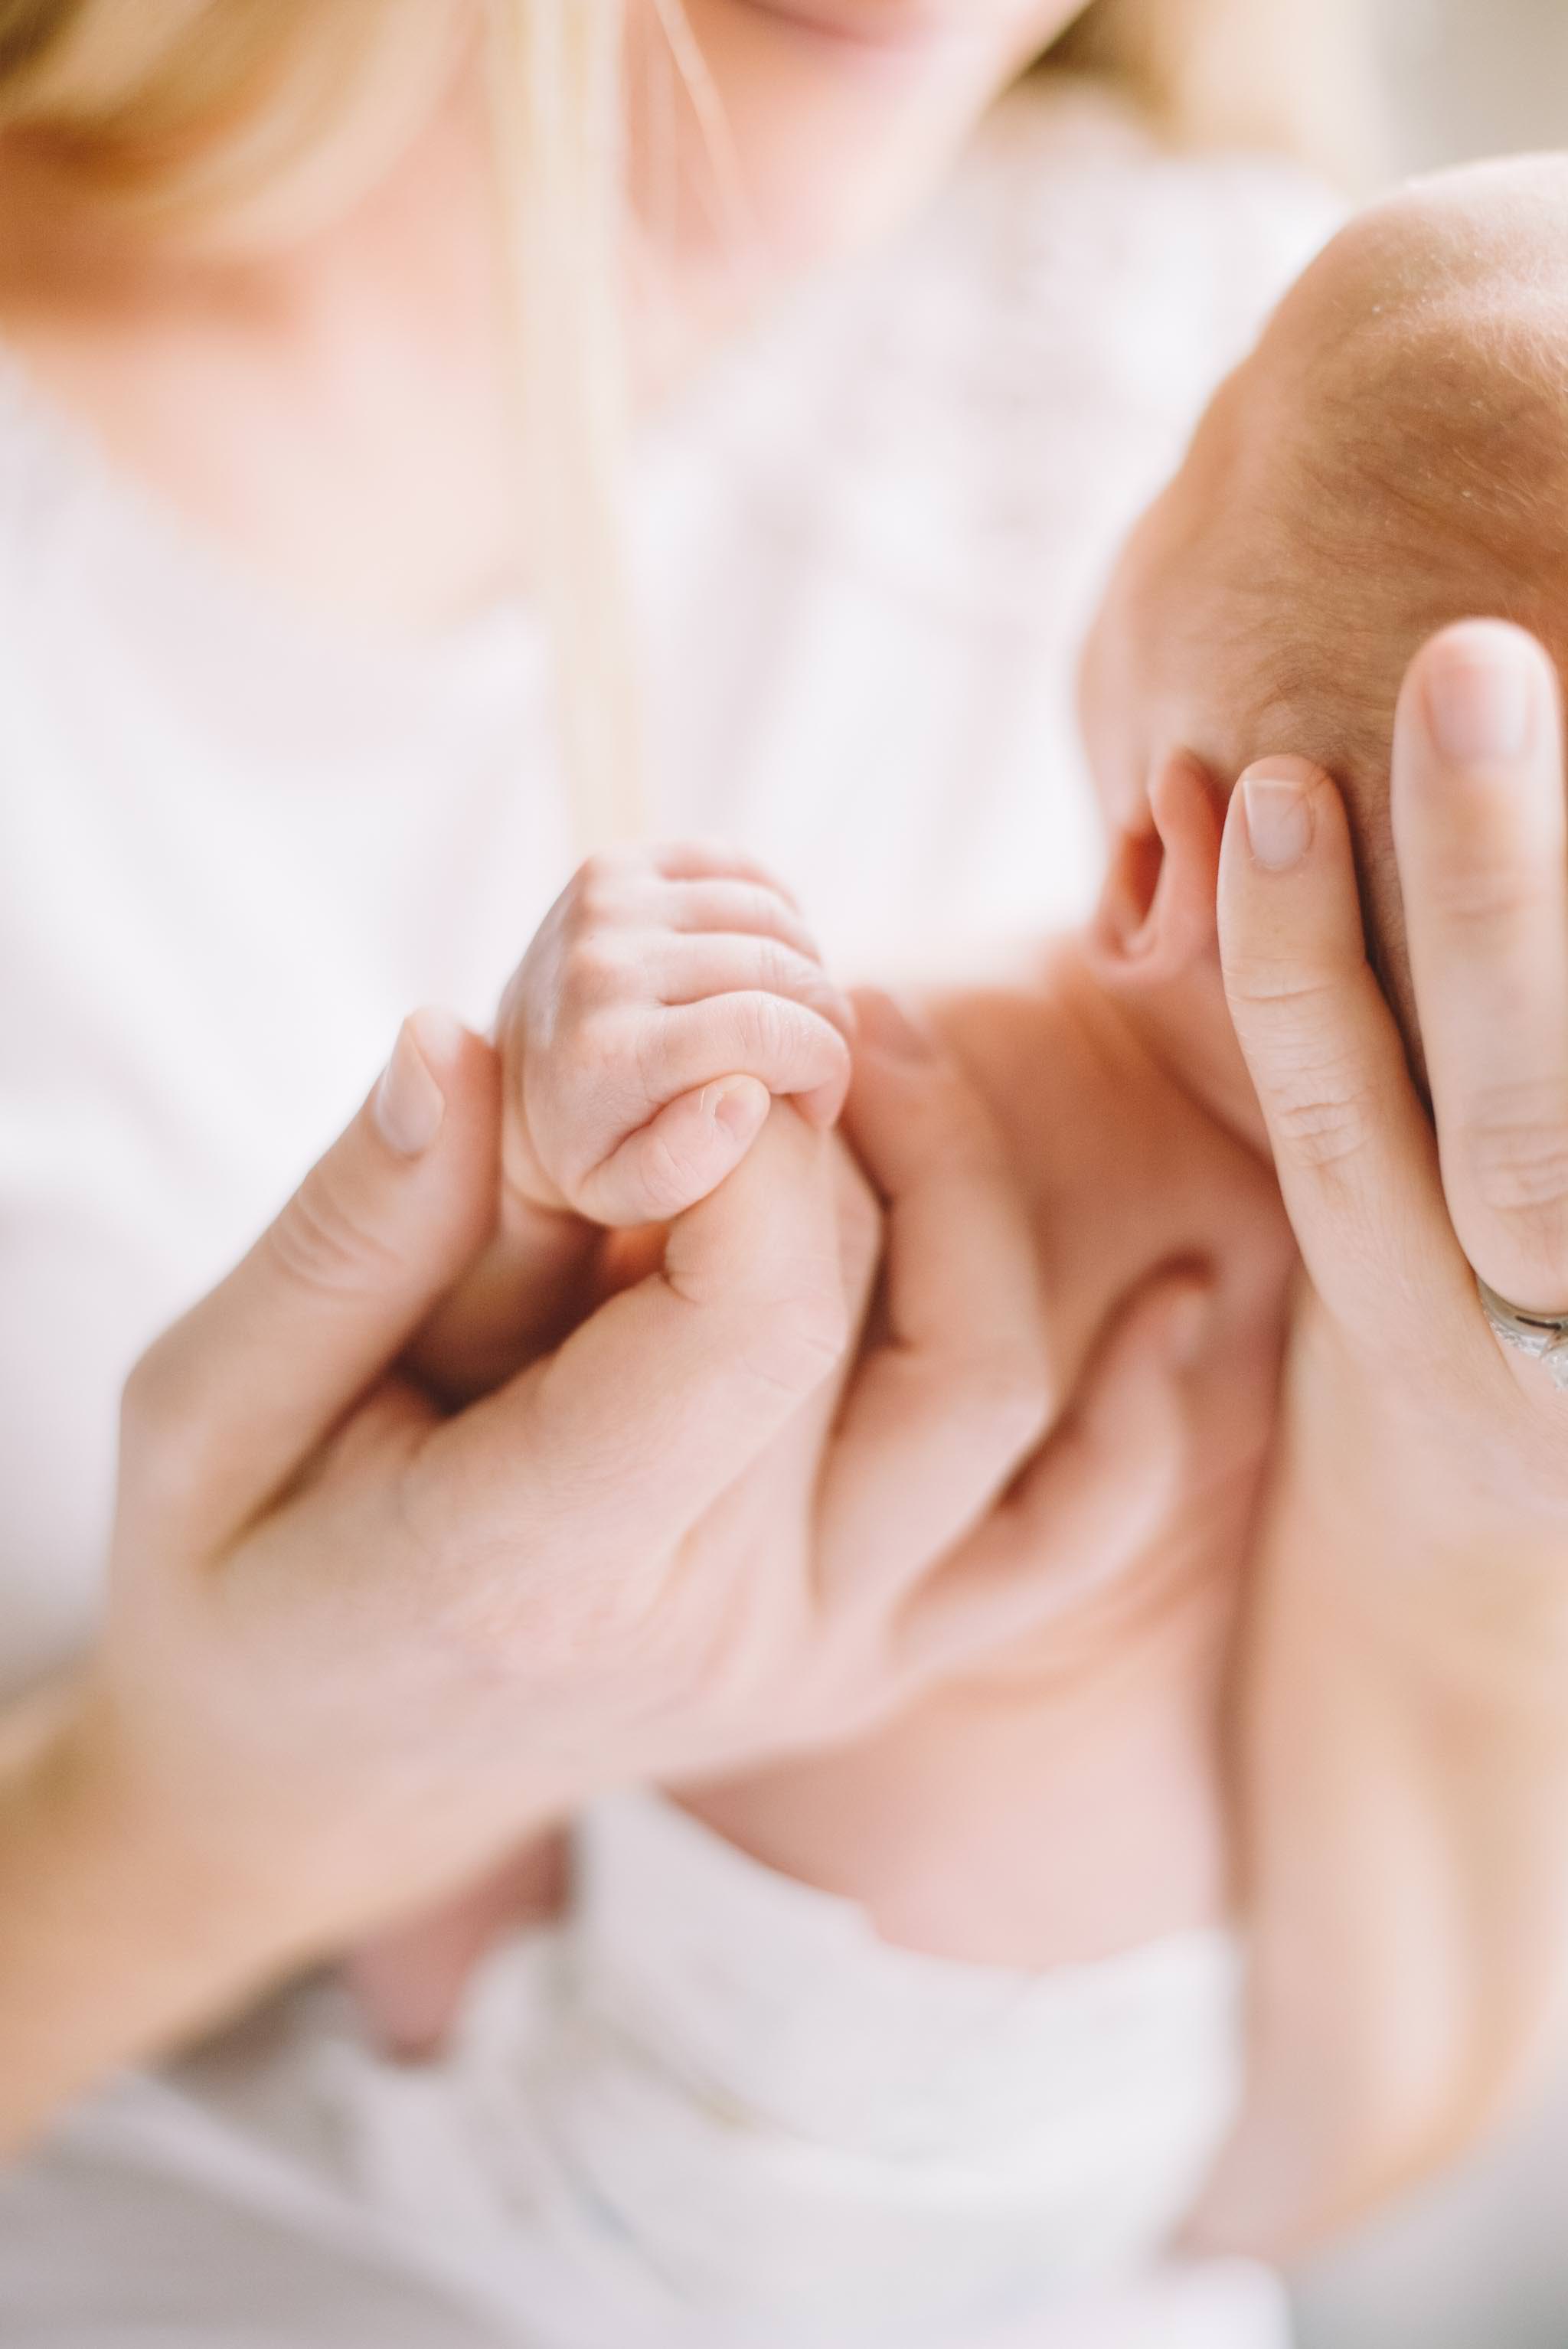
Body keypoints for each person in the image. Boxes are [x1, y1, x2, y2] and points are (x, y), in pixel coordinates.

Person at [2, 0, 1567, 2341]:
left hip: (774, 2139)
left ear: (1153, 856)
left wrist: (1480, 1507)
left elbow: (1349, 2116)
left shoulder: (1222, 335)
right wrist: (202, 1815)